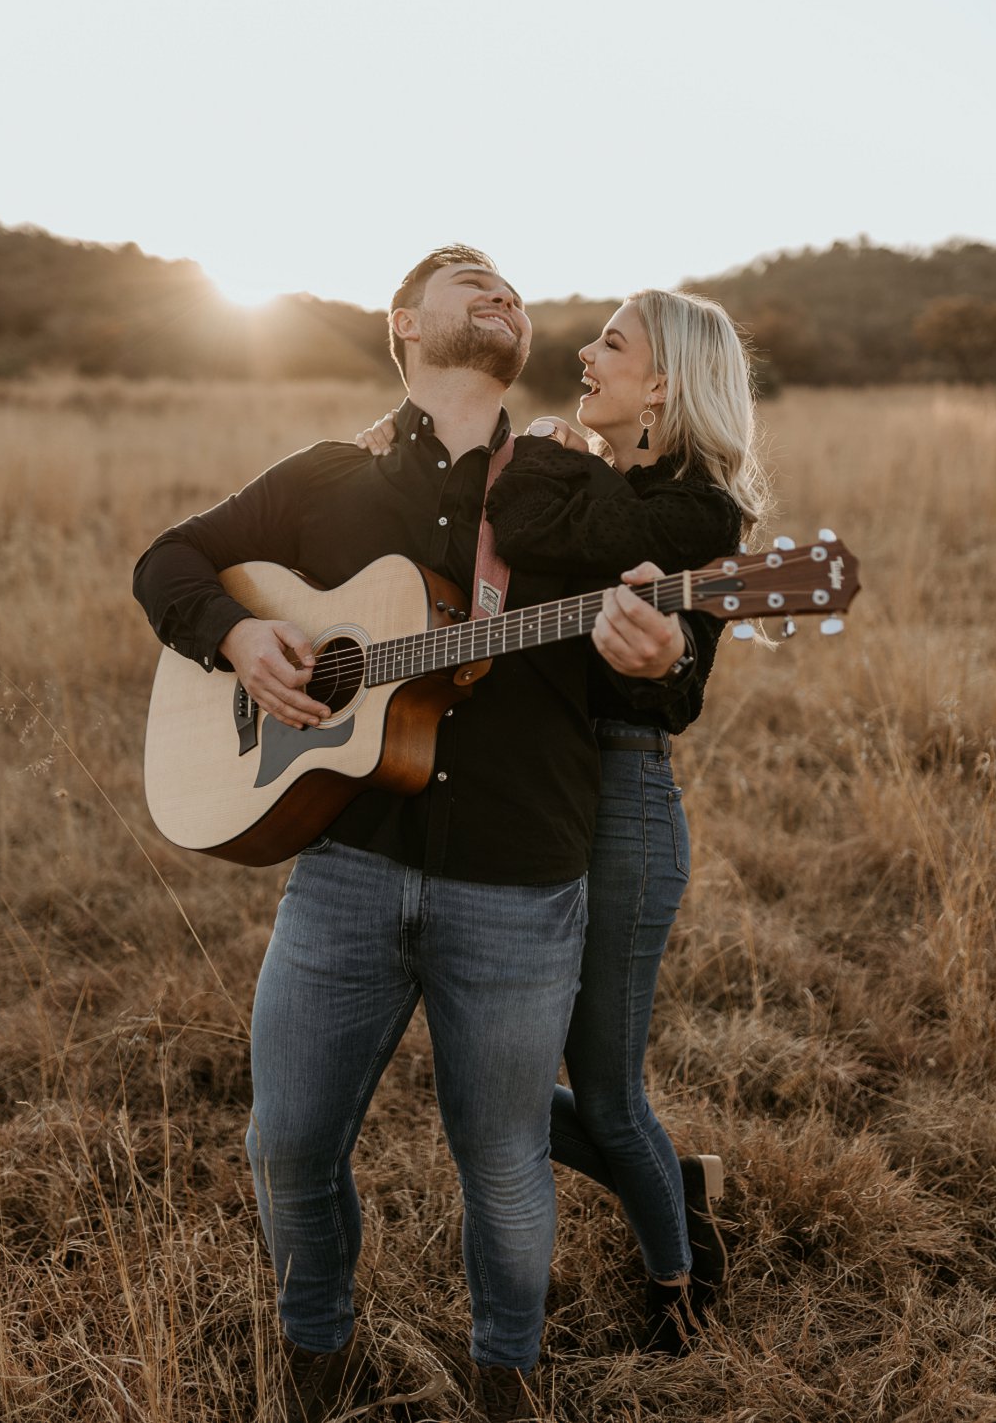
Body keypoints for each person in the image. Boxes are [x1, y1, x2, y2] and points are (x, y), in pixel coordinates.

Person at [132, 247, 693, 1423]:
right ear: (404, 321)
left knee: (501, 1166)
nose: (501, 288)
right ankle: (315, 1358)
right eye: (466, 274)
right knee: (285, 1146)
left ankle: (506, 1379)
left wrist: (667, 659)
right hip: (343, 865)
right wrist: (238, 637)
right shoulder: (331, 474)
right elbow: (168, 561)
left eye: (510, 284)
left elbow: (659, 692)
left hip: (519, 877)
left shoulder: (567, 480)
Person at [356, 286, 768, 1354]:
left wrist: (540, 445)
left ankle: (678, 1270)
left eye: (613, 343)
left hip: (621, 799)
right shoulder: (604, 485)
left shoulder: (697, 516)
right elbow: (513, 534)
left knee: (601, 1086)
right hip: (531, 791)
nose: (586, 352)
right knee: (489, 1082)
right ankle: (670, 1180)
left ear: (665, 383)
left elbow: (540, 521)